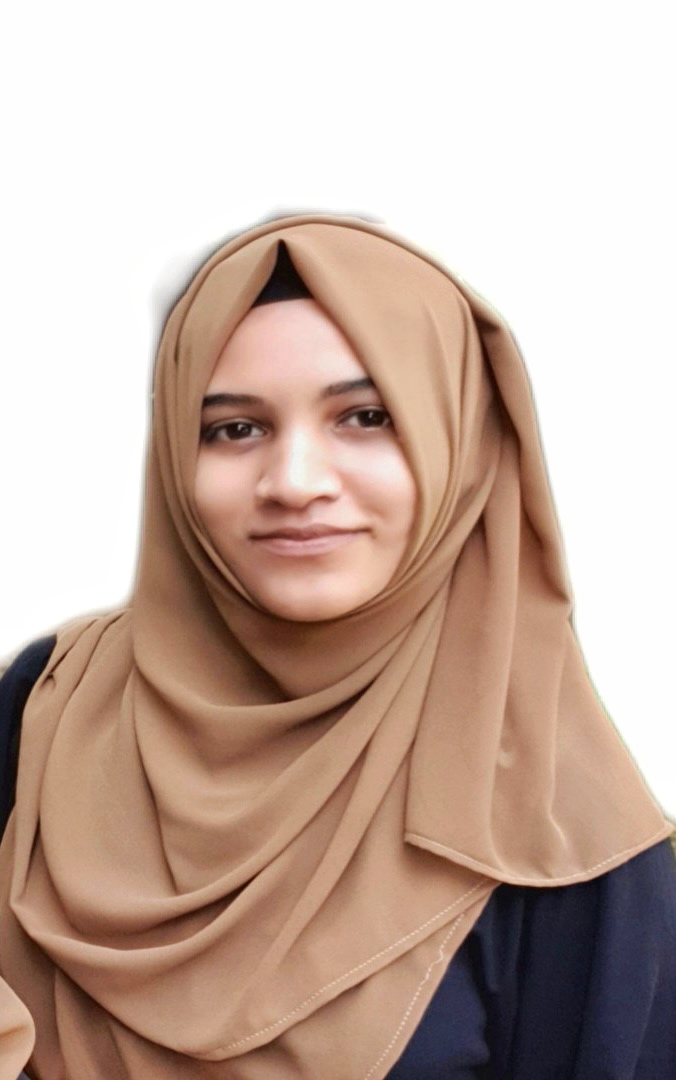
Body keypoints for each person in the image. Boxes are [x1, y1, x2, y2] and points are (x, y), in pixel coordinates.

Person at [0, 214, 674, 1080]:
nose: (295, 482)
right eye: (234, 428)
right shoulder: (49, 706)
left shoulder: (556, 826)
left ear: (461, 442)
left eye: (365, 417)